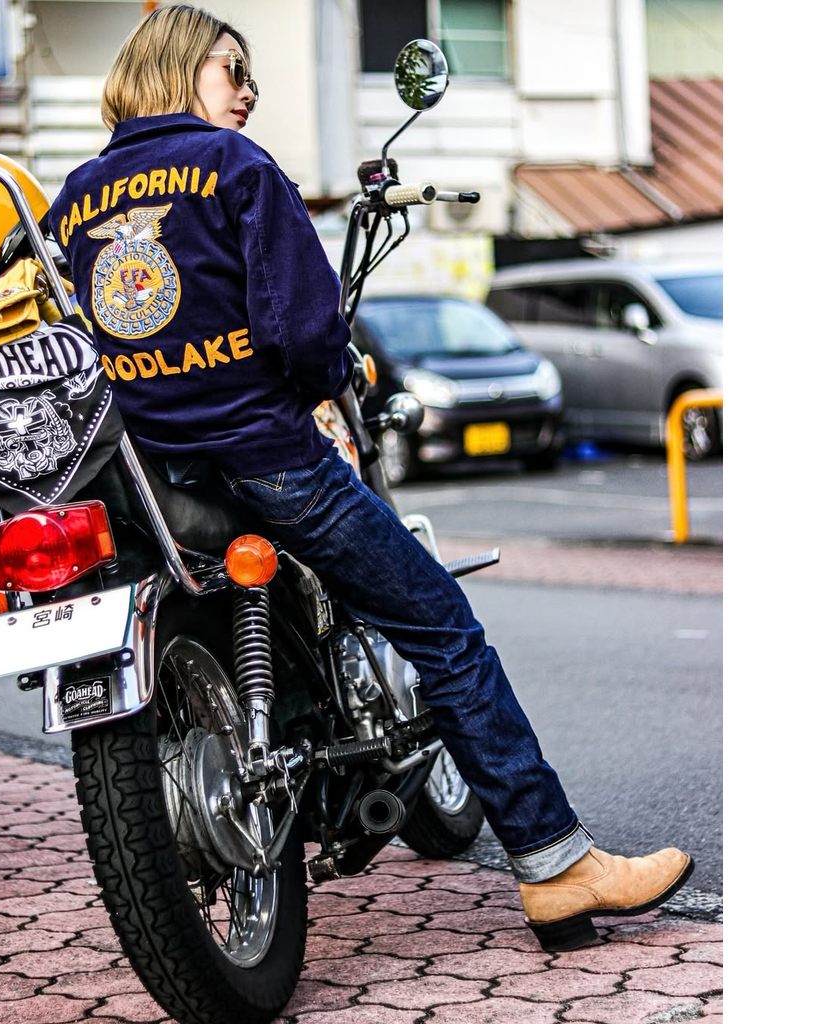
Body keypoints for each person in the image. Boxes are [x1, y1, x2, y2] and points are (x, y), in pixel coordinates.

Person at [48, 2, 693, 952]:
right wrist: (329, 378)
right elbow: (304, 331)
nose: (251, 89)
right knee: (443, 627)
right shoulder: (236, 169)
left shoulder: (75, 196)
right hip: (270, 461)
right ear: (185, 68)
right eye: (236, 71)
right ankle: (558, 865)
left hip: (150, 477)